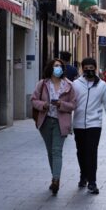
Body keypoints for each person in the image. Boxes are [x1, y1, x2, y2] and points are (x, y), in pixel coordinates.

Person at [72, 58, 106, 195]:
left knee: (91, 152)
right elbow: (70, 104)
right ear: (82, 69)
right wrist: (67, 124)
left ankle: (92, 182)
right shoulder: (75, 84)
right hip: (78, 124)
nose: (89, 70)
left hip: (95, 124)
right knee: (81, 152)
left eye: (91, 67)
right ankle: (83, 175)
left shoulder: (102, 85)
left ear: (96, 68)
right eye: (86, 67)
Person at [31, 59, 76, 195]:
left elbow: (73, 105)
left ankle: (56, 180)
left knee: (57, 151)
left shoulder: (69, 85)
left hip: (60, 122)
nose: (59, 68)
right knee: (50, 151)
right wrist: (43, 105)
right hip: (45, 122)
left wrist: (61, 104)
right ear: (51, 68)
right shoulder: (43, 84)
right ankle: (54, 177)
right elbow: (33, 100)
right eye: (56, 66)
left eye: (61, 66)